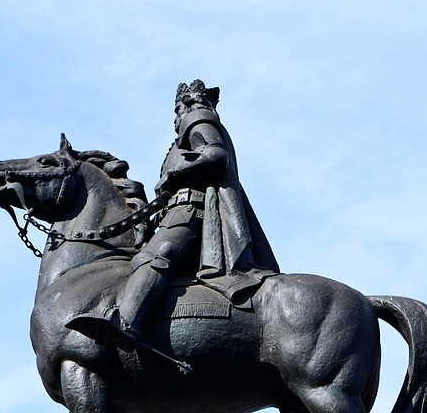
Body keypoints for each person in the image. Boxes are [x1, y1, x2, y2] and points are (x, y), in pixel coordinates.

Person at [71, 79, 278, 352]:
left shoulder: (198, 119)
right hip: (178, 212)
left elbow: (216, 156)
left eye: (179, 108)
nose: (178, 115)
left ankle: (126, 323)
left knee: (156, 256)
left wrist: (173, 175)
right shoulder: (188, 131)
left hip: (191, 212)